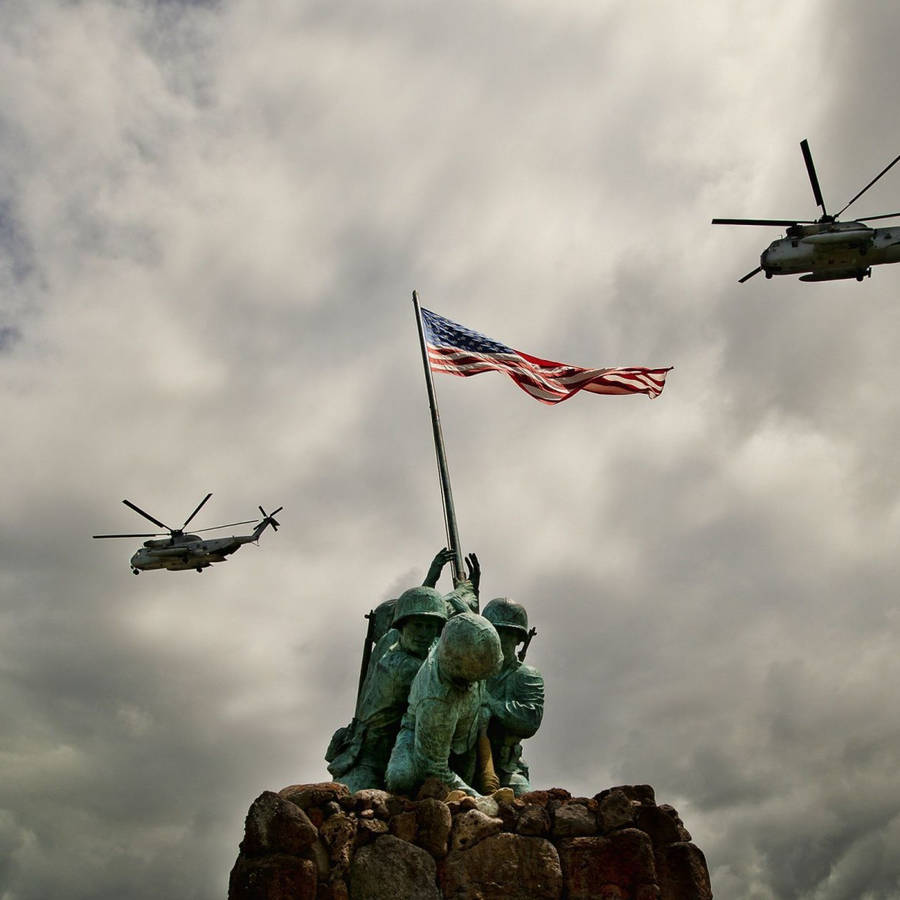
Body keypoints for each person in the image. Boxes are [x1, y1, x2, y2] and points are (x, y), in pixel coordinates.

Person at [325, 551, 480, 792]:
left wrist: (460, 588)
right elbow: (449, 618)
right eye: (417, 625)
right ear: (402, 627)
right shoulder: (405, 665)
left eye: (430, 627)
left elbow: (428, 607)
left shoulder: (391, 639)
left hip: (403, 749)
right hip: (369, 760)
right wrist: (467, 599)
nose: (423, 633)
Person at [385, 612, 502, 797]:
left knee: (467, 775)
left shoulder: (463, 636)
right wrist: (477, 799)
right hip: (423, 734)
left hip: (465, 737)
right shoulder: (435, 699)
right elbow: (432, 768)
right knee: (402, 777)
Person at [481, 597, 544, 796]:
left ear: (518, 639)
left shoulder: (527, 675)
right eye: (495, 632)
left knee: (525, 801)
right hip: (463, 762)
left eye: (507, 634)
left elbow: (529, 720)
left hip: (506, 768)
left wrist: (488, 702)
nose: (499, 639)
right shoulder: (470, 670)